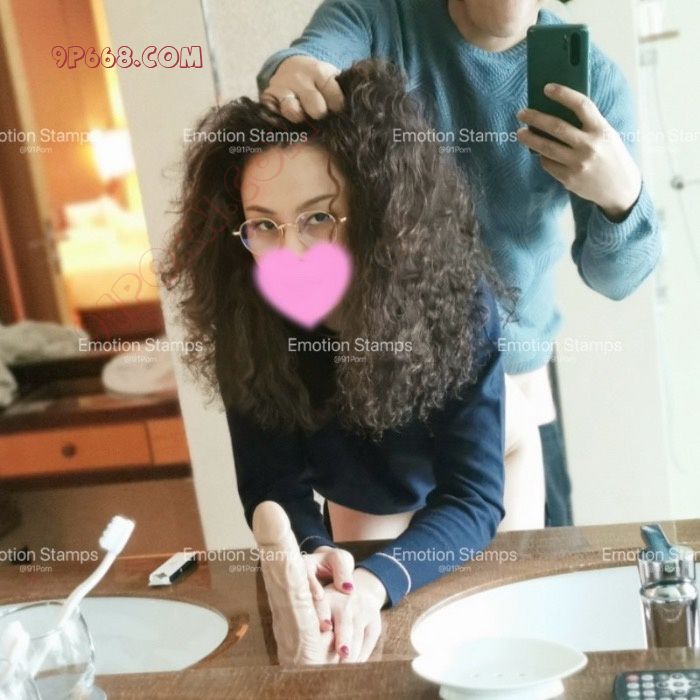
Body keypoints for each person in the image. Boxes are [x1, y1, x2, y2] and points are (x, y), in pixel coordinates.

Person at [163, 60, 524, 663]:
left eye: (318, 217)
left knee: (486, 636)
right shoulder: (247, 319)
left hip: (489, 467)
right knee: (354, 633)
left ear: (380, 211)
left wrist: (380, 581)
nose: (290, 252)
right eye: (264, 225)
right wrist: (314, 553)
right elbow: (272, 482)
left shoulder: (458, 303)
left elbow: (471, 495)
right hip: (364, 485)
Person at [256, 0, 662, 528]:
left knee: (529, 572)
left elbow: (617, 279)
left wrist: (620, 197)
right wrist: (292, 71)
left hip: (514, 388)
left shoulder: (597, 84)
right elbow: (311, 62)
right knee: (375, 575)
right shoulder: (376, 17)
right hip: (385, 388)